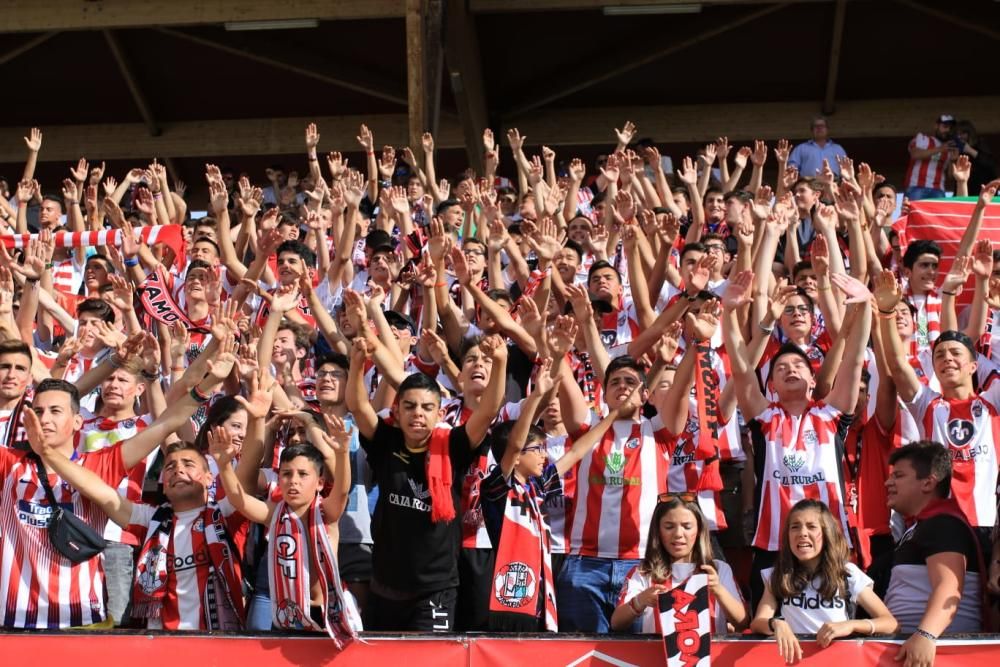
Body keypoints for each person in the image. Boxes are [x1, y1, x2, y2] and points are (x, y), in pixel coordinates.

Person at [210, 417, 361, 642]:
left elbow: (341, 491)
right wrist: (223, 466)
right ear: (278, 479)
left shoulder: (327, 514)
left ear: (319, 483)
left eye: (302, 474)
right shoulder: (273, 514)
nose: (293, 481)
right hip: (283, 611)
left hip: (324, 612)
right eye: (287, 474)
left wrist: (341, 454)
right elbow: (238, 500)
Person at [750, 499, 897, 664]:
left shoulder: (848, 574)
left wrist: (851, 625)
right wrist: (775, 623)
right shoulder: (777, 575)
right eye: (795, 527)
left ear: (827, 533)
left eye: (811, 526)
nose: (802, 533)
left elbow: (890, 623)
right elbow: (757, 623)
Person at [884, 441, 984, 665]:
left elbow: (949, 586)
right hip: (915, 649)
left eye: (898, 476)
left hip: (938, 654)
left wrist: (926, 635)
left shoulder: (943, 524)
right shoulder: (922, 525)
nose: (887, 482)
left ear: (928, 482)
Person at [611, 493, 747, 634]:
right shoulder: (643, 571)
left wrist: (718, 589)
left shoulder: (719, 569)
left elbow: (743, 622)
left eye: (687, 527)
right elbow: (616, 623)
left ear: (699, 530)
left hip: (713, 655)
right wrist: (640, 601)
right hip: (655, 655)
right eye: (669, 527)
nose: (678, 534)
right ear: (657, 531)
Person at [904, 114, 955, 200]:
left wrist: (953, 160)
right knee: (914, 213)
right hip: (916, 187)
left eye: (950, 128)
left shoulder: (950, 148)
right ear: (936, 126)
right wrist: (941, 148)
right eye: (945, 126)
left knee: (937, 214)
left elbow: (951, 176)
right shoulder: (922, 138)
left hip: (938, 190)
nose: (948, 130)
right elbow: (915, 154)